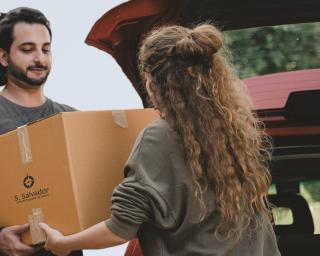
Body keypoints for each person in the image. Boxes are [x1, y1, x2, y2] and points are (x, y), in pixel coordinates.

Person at [39, 23, 281, 256]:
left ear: (154, 81)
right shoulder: (234, 128)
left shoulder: (158, 136)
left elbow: (120, 229)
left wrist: (64, 243)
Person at [0, 7, 81, 256]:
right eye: (27, 49)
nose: (39, 58)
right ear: (3, 57)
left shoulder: (71, 118)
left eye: (45, 49)